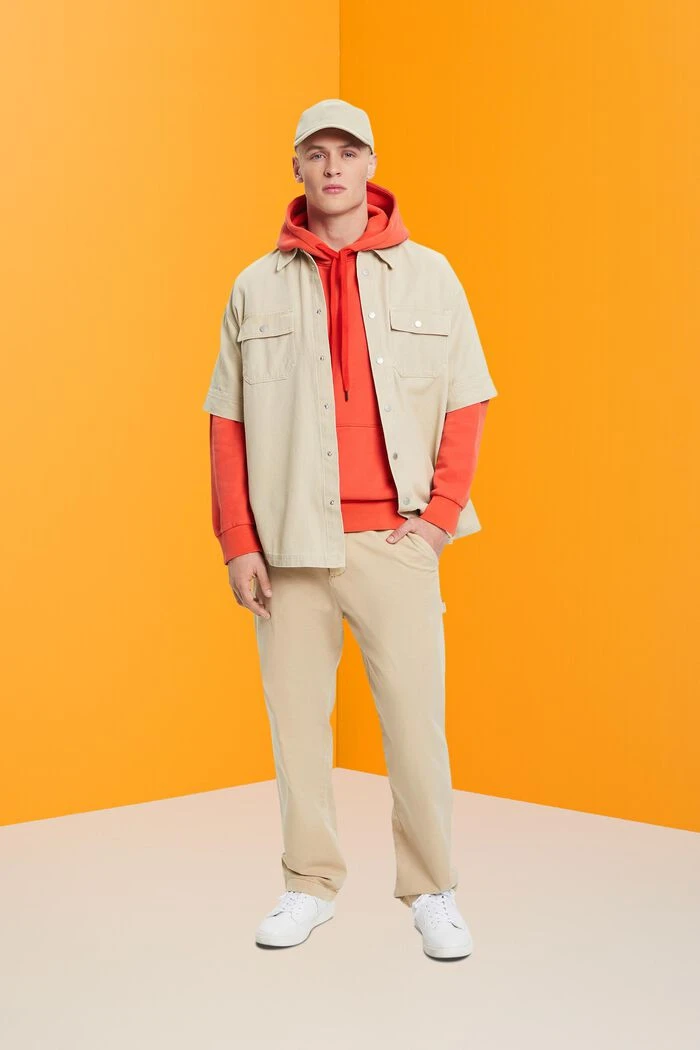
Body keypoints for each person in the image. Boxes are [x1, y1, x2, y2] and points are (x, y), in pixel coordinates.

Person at [203, 98, 498, 959]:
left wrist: (439, 520)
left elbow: (468, 398)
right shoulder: (255, 285)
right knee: (297, 729)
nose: (333, 167)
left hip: (396, 543)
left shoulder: (431, 275)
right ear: (296, 167)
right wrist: (238, 539)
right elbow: (227, 421)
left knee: (416, 727)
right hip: (289, 547)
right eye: (316, 153)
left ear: (371, 165)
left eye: (348, 152)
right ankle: (309, 885)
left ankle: (432, 890)